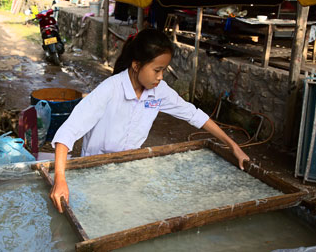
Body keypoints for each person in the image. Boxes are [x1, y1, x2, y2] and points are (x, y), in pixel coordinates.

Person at [50, 28, 250, 213]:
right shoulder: (110, 89)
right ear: (136, 65)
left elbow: (194, 114)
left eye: (164, 70)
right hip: (94, 168)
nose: (161, 77)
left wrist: (232, 145)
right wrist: (60, 179)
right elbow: (68, 132)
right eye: (157, 70)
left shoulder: (159, 92)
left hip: (129, 169)